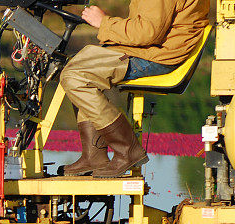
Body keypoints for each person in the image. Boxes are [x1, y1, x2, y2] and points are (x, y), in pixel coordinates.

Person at [59, 0, 209, 177]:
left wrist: (104, 22)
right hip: (155, 50)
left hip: (157, 56)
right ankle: (94, 155)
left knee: (74, 76)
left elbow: (147, 32)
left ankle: (127, 149)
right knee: (77, 66)